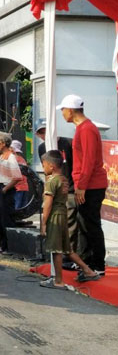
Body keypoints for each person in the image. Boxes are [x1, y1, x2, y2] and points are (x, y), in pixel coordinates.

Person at [58, 94, 108, 276]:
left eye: (63, 110)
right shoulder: (82, 128)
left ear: (70, 110)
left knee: (91, 224)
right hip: (87, 184)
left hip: (90, 185)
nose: (62, 114)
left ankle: (97, 264)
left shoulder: (86, 129)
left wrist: (82, 186)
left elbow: (88, 160)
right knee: (84, 224)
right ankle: (86, 261)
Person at [39, 150, 100, 289]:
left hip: (55, 216)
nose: (43, 168)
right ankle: (88, 270)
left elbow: (48, 203)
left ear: (51, 166)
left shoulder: (52, 181)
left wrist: (43, 223)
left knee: (56, 249)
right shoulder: (64, 179)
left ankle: (58, 281)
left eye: (44, 165)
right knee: (67, 249)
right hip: (63, 214)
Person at [34, 118, 79, 267]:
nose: (43, 135)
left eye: (45, 131)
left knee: (69, 224)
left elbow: (75, 165)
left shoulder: (68, 143)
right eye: (40, 133)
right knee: (56, 225)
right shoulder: (42, 148)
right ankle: (59, 257)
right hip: (53, 189)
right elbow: (46, 172)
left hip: (70, 188)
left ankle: (70, 258)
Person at [0, 132, 22, 255]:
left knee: (6, 218)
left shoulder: (11, 157)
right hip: (0, 186)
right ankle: (3, 246)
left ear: (3, 143)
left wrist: (5, 189)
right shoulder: (1, 157)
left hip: (6, 189)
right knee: (0, 218)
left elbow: (17, 177)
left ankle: (9, 247)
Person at [10, 140, 30, 210]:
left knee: (16, 208)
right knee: (22, 208)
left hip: (16, 187)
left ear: (12, 149)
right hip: (25, 187)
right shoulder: (22, 159)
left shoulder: (13, 159)